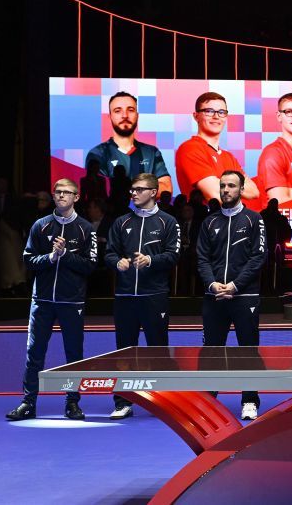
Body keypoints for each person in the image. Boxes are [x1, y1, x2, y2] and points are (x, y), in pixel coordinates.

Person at [6, 179, 97, 421]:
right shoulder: (41, 225)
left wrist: (64, 255)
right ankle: (28, 402)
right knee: (34, 352)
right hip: (42, 300)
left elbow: (90, 266)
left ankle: (72, 403)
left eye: (67, 192)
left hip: (72, 301)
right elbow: (28, 260)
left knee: (73, 354)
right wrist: (51, 257)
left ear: (76, 197)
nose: (61, 196)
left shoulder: (86, 228)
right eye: (57, 192)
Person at [104, 173, 180, 420]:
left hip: (154, 295)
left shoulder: (168, 222)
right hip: (125, 295)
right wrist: (117, 263)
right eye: (132, 189)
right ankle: (123, 401)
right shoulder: (121, 222)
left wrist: (151, 260)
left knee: (157, 349)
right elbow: (109, 253)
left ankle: (163, 400)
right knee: (124, 351)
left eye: (139, 189)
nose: (133, 193)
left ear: (153, 192)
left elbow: (174, 255)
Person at [196, 170, 267, 420]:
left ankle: (249, 400)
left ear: (241, 189)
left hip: (244, 296)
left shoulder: (254, 219)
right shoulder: (209, 222)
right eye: (223, 186)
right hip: (214, 296)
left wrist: (236, 285)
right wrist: (212, 284)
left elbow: (258, 257)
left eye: (231, 186)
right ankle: (208, 402)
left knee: (248, 350)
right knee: (212, 351)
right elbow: (202, 258)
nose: (226, 190)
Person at [175, 92, 259, 202]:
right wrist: (236, 185)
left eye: (221, 112)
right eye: (209, 111)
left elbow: (254, 191)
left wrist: (220, 183)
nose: (216, 117)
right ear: (196, 116)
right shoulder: (190, 148)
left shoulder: (229, 157)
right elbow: (216, 195)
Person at [86, 91, 173, 195]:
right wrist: (147, 189)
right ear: (110, 117)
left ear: (137, 115)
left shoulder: (152, 152)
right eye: (118, 111)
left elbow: (166, 188)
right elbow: (101, 192)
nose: (125, 115)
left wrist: (125, 190)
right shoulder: (98, 154)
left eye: (130, 110)